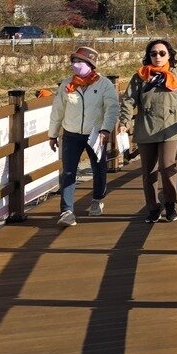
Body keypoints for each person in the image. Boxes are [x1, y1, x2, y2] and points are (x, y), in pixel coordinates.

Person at [120, 39, 177, 223]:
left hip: (171, 128)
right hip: (146, 128)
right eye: (153, 53)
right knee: (148, 171)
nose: (158, 57)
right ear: (148, 56)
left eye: (162, 53)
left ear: (169, 55)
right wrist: (124, 122)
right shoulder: (140, 76)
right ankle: (153, 208)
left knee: (166, 165)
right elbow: (129, 101)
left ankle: (170, 203)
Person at [47, 46, 119, 227]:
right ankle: (66, 210)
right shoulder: (66, 85)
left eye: (80, 62)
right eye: (73, 61)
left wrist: (105, 130)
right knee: (69, 171)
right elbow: (58, 111)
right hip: (71, 134)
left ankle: (97, 199)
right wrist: (53, 134)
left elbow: (112, 109)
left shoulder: (104, 85)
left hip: (95, 134)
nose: (75, 65)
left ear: (90, 64)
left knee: (98, 168)